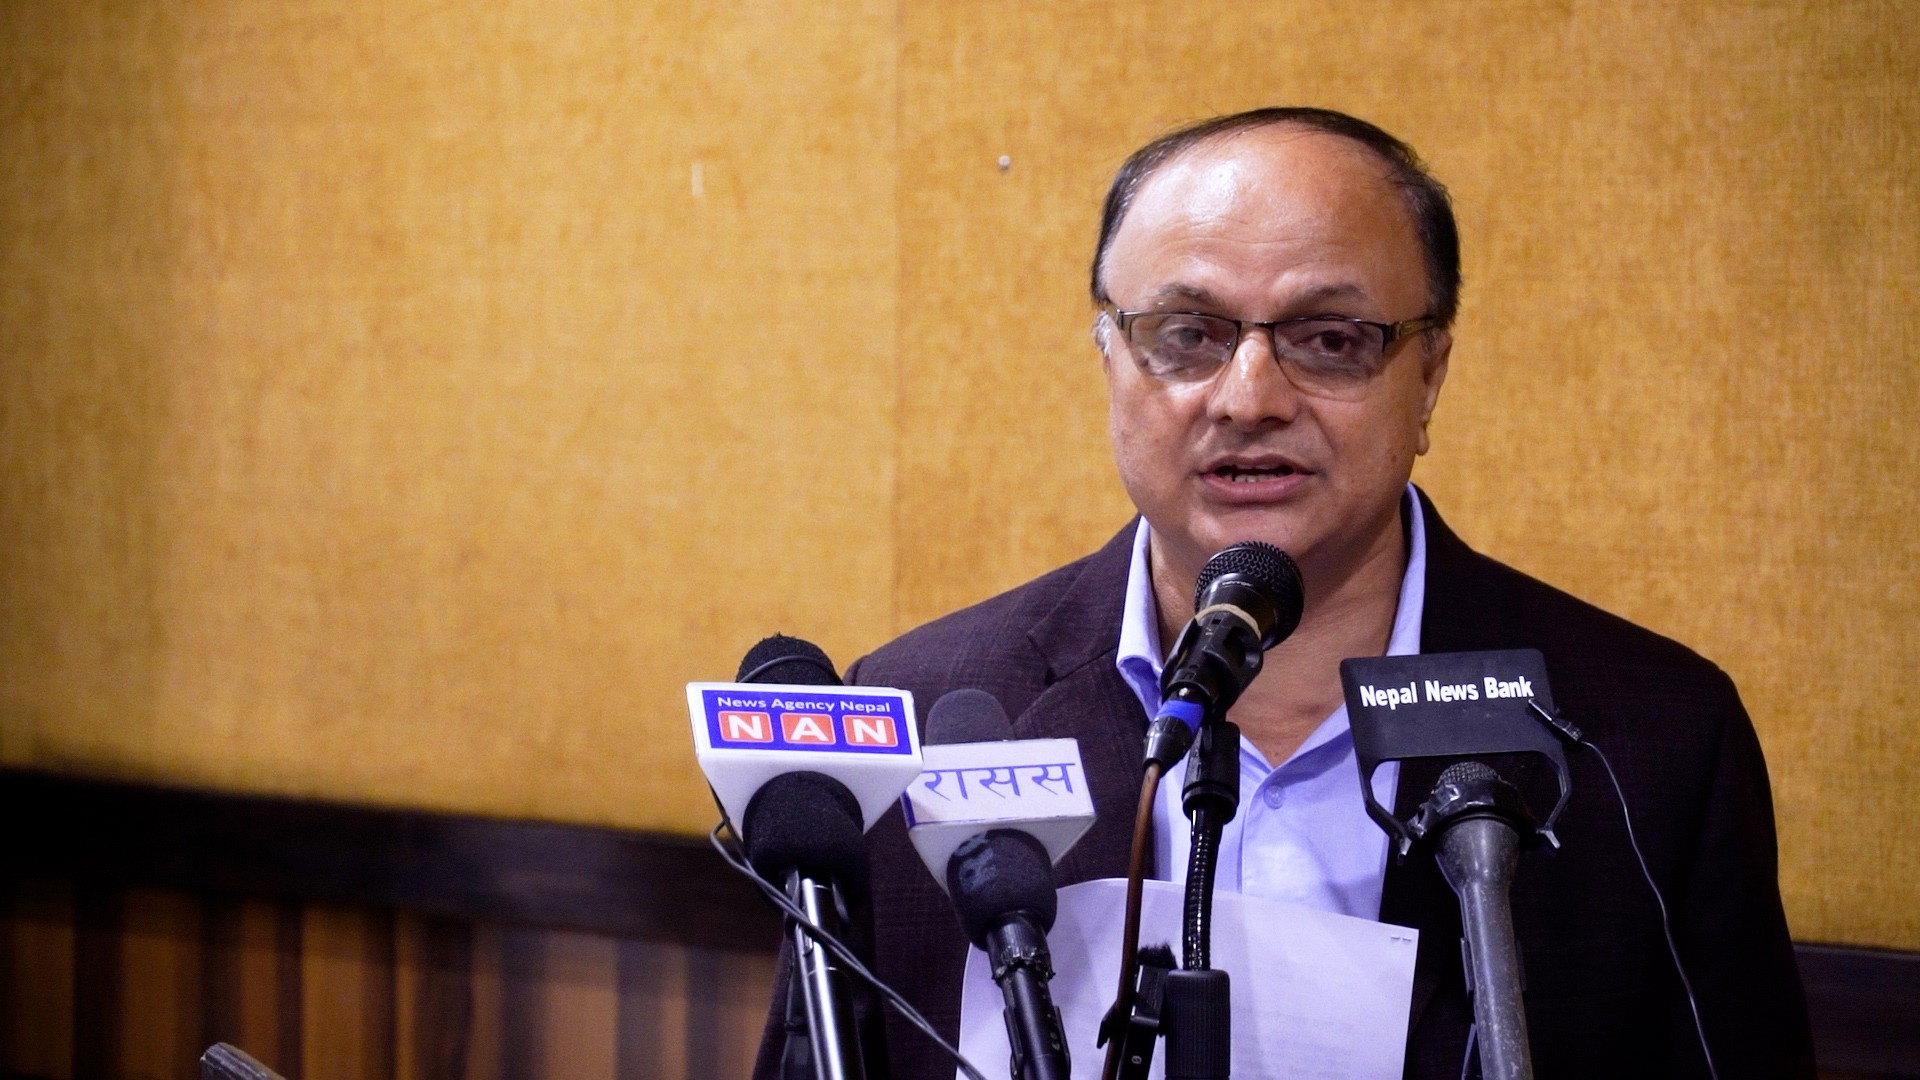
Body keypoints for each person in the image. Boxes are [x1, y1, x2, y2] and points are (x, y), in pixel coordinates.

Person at [755, 107, 1813, 1079]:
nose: (1250, 398)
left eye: (1329, 340)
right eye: (1187, 333)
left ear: (1429, 374)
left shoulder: (1650, 737)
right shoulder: (916, 715)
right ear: (1108, 356)